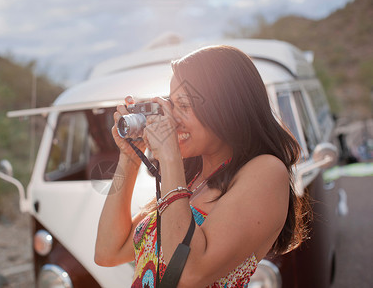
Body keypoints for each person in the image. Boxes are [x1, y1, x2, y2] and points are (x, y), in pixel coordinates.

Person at [95, 45, 309, 288]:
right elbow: (107, 251)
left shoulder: (266, 172)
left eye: (183, 106)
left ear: (226, 107)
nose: (173, 119)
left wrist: (170, 159)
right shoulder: (191, 178)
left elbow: (188, 271)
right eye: (171, 105)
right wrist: (131, 156)